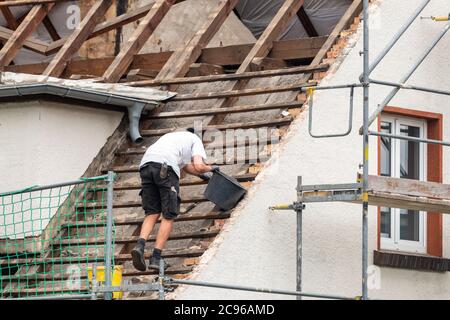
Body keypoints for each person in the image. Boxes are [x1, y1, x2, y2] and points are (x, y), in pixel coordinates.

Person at [131, 128, 218, 271]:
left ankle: (140, 246)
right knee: (168, 215)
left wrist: (202, 175)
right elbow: (199, 165)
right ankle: (156, 257)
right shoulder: (195, 140)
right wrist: (212, 168)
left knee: (152, 213)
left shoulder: (171, 137)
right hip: (165, 168)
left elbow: (186, 168)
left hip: (146, 166)